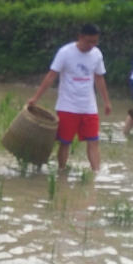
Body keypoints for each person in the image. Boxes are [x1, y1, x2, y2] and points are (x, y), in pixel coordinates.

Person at [28, 23, 112, 173]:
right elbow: (51, 76)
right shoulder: (65, 52)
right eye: (88, 41)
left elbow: (99, 78)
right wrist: (36, 98)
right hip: (68, 106)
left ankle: (96, 174)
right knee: (65, 142)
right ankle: (61, 171)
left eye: (95, 42)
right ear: (80, 37)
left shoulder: (97, 54)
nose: (91, 45)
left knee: (94, 141)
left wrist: (106, 101)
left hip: (89, 106)